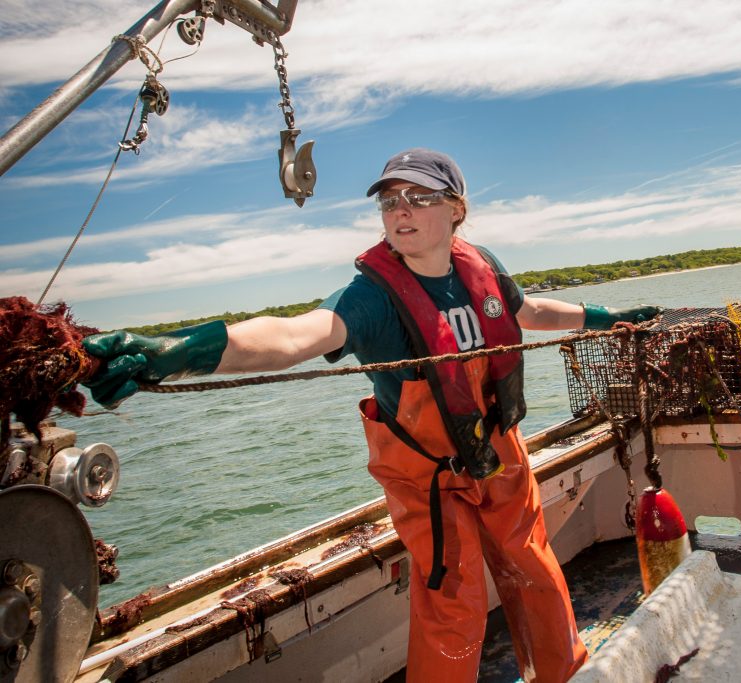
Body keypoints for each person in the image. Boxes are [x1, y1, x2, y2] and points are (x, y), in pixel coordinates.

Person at [83, 148, 661, 682]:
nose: (399, 210)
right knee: (451, 600)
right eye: (389, 201)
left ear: (458, 209)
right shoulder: (371, 296)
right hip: (429, 476)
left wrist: (602, 316)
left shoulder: (479, 265)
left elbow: (527, 310)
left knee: (533, 567)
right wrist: (184, 350)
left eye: (419, 197)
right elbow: (293, 336)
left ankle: (566, 673)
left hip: (500, 448)